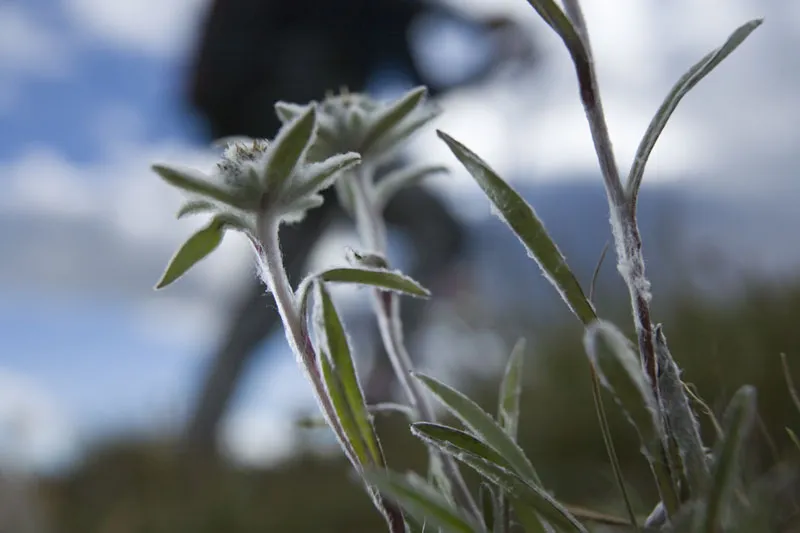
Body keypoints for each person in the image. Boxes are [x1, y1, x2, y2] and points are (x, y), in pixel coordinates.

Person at [183, 0, 537, 454]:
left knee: (266, 302)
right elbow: (427, 80)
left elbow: (417, 41)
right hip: (319, 147)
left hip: (298, 148)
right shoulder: (374, 13)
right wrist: (492, 57)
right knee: (436, 234)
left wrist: (476, 30)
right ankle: (380, 391)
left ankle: (199, 440)